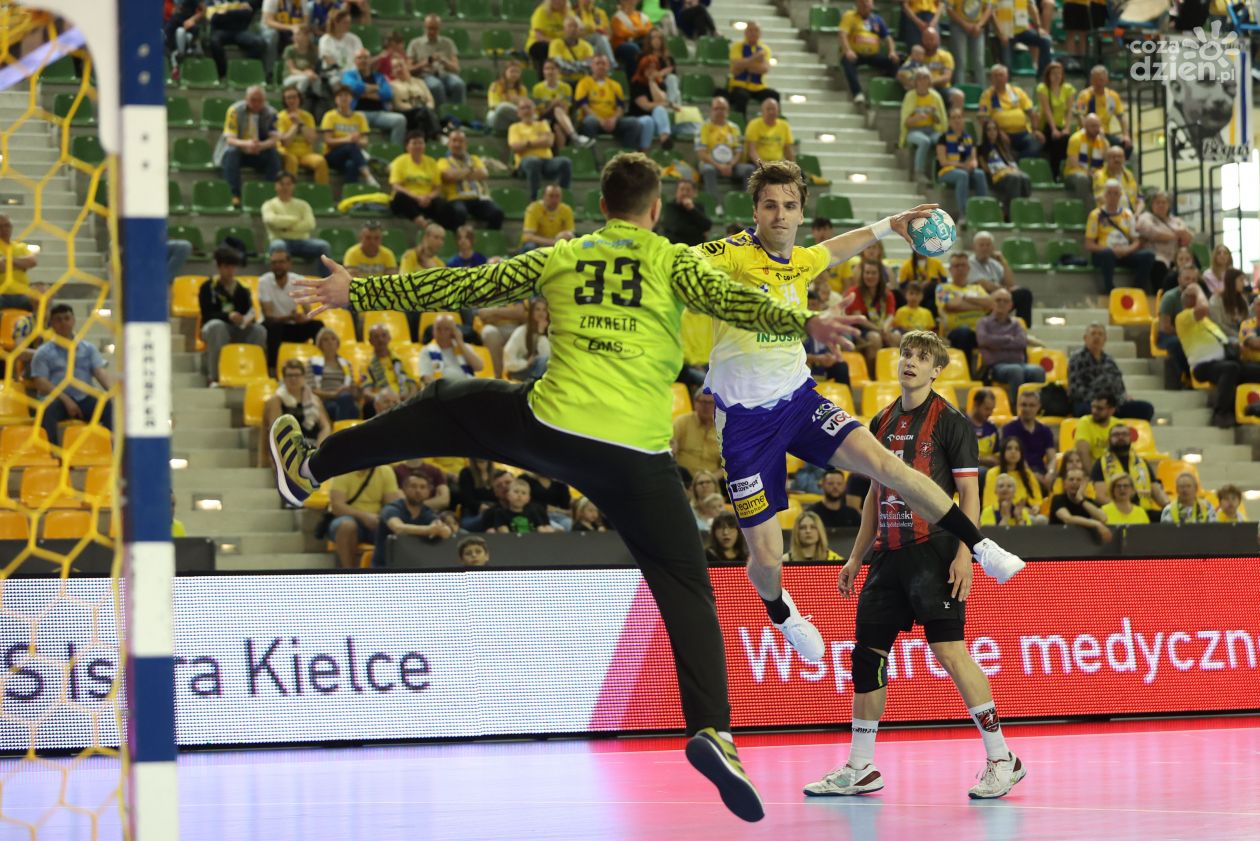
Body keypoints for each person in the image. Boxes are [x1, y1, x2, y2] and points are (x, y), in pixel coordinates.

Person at [270, 152, 888, 823]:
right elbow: (737, 301)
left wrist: (358, 293)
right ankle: (713, 728)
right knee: (687, 587)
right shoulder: (672, 260)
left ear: (601, 207)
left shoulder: (562, 255)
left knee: (446, 402)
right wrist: (805, 324)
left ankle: (312, 468)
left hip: (552, 428)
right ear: (656, 210)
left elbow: (465, 285)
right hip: (637, 456)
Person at [696, 162, 1025, 668]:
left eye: (789, 206)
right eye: (769, 205)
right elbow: (683, 264)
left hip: (799, 403)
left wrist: (890, 225)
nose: (779, 215)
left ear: (801, 214)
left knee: (890, 465)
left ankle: (979, 545)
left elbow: (833, 250)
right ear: (755, 211)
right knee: (766, 558)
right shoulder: (734, 254)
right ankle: (780, 612)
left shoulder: (801, 259)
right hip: (744, 426)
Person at [805, 328, 1024, 801]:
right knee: (867, 657)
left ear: (936, 370)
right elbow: (873, 494)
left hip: (935, 551)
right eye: (906, 353)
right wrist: (857, 555)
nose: (910, 361)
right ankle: (860, 767)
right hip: (887, 557)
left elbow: (969, 495)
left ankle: (1002, 758)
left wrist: (965, 553)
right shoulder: (881, 420)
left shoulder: (952, 422)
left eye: (922, 357)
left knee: (950, 653)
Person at [29, 304, 114, 447]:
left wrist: (113, 393)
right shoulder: (43, 352)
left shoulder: (88, 349)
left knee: (110, 406)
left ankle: (109, 448)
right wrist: (66, 399)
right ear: (51, 324)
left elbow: (99, 372)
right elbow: (40, 383)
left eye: (66, 318)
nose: (63, 323)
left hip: (84, 398)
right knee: (46, 410)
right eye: (58, 320)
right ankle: (53, 453)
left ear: (73, 320)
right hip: (57, 399)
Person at [1177, 283, 1260, 427]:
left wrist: (1235, 346)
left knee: (1253, 369)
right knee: (1230, 368)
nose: (1201, 300)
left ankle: (1255, 407)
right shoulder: (1182, 317)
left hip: (1223, 362)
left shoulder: (1208, 322)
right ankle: (1220, 413)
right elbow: (1203, 308)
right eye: (1198, 298)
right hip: (1202, 366)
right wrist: (1197, 289)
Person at [198, 246, 267, 387]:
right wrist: (228, 316)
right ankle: (214, 377)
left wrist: (248, 320)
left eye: (233, 267)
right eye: (226, 267)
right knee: (217, 327)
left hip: (238, 328)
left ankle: (252, 372)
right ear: (219, 267)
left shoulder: (243, 289)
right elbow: (207, 314)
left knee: (259, 331)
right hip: (214, 328)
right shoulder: (207, 287)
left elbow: (250, 312)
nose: (230, 271)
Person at [1067, 323, 1154, 419]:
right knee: (1087, 411)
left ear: (1105, 339)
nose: (1097, 337)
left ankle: (1111, 415)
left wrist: (1122, 397)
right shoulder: (1076, 359)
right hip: (1088, 403)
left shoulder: (1110, 360)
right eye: (1093, 334)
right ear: (1085, 338)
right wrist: (1100, 402)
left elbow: (1120, 386)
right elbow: (1076, 390)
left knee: (1146, 408)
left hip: (1112, 404)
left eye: (1100, 334)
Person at [1085, 179, 1156, 293]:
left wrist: (1128, 250)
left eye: (1116, 193)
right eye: (1109, 193)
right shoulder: (1095, 215)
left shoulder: (1127, 214)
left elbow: (1136, 241)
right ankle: (1109, 289)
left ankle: (1136, 289)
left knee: (1148, 255)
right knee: (1107, 255)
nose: (1112, 197)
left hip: (1124, 252)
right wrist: (1111, 250)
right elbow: (1089, 244)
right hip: (1105, 254)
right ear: (1104, 195)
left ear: (1120, 195)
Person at [258, 248, 324, 368]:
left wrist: (303, 318)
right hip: (271, 328)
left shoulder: (298, 280)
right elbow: (269, 315)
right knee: (274, 327)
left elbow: (308, 312)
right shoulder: (264, 281)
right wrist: (290, 317)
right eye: (274, 263)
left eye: (281, 262)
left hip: (291, 326)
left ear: (289, 264)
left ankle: (320, 364)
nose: (277, 266)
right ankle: (272, 368)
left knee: (317, 325)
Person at [328, 463, 403, 568]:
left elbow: (391, 505)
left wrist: (381, 519)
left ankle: (386, 571)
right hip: (348, 518)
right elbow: (337, 506)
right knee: (347, 526)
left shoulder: (386, 471)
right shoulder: (342, 469)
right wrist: (364, 517)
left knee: (393, 527)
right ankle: (350, 573)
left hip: (376, 519)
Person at [576, 54, 657, 152]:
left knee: (634, 123)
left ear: (608, 66)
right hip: (595, 120)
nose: (601, 66)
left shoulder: (615, 85)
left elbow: (620, 108)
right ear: (592, 66)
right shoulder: (584, 83)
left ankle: (626, 156)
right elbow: (584, 107)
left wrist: (614, 119)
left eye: (604, 63)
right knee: (589, 121)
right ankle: (591, 155)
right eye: (598, 63)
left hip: (612, 121)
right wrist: (600, 120)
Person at [976, 288, 1044, 400]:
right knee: (1015, 371)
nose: (1002, 303)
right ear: (992, 303)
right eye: (998, 300)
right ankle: (1017, 406)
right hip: (994, 367)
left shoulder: (1017, 324)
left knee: (1038, 371)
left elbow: (1021, 342)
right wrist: (1009, 339)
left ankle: (1037, 405)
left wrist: (996, 341)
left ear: (1011, 305)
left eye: (1005, 301)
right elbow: (984, 340)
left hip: (1019, 364)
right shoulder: (983, 323)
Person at [219, 86, 282, 207]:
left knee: (274, 155)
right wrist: (247, 144)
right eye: (253, 100)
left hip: (260, 150)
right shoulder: (234, 110)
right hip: (240, 149)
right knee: (231, 153)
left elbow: (274, 139)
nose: (256, 104)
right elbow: (230, 139)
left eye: (260, 100)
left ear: (265, 100)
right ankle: (234, 195)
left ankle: (270, 194)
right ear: (246, 99)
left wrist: (261, 146)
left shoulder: (272, 113)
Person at [374, 472, 453, 566]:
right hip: (385, 567)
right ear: (404, 489)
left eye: (422, 487)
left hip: (415, 566)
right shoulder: (392, 508)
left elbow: (440, 528)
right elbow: (398, 528)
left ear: (428, 492)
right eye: (413, 486)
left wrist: (444, 530)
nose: (418, 490)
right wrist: (429, 530)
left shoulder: (428, 512)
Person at [1088, 423, 1168, 515]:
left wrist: (1169, 507)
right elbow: (1100, 496)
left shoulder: (1142, 463)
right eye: (1116, 435)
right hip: (1114, 514)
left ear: (1130, 438)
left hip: (1144, 513)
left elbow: (1156, 491)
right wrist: (1125, 509)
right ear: (1109, 439)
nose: (1120, 437)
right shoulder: (1100, 464)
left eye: (1124, 434)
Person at [262, 173, 332, 274]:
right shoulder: (269, 205)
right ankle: (280, 280)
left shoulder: (303, 205)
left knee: (324, 246)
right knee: (278, 246)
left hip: (302, 242)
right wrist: (296, 219)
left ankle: (326, 280)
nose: (285, 187)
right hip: (279, 240)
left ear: (293, 186)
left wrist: (285, 227)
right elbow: (271, 220)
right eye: (282, 184)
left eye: (288, 184)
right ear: (276, 186)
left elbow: (310, 224)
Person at [438, 130, 505, 231]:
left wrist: (459, 174)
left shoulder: (474, 159)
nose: (457, 144)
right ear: (449, 143)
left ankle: (487, 238)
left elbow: (483, 174)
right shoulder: (443, 161)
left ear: (466, 144)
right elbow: (449, 176)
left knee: (497, 213)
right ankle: (459, 238)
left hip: (477, 197)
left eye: (461, 141)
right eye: (454, 141)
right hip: (456, 198)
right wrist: (470, 170)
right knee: (459, 213)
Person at [509, 99, 574, 201]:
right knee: (533, 161)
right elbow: (515, 147)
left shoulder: (543, 124)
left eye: (529, 107)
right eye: (523, 108)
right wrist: (539, 141)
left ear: (534, 110)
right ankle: (535, 199)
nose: (526, 110)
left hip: (547, 161)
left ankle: (563, 197)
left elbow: (549, 142)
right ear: (518, 113)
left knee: (565, 162)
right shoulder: (514, 128)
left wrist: (527, 143)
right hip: (525, 161)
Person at [263, 358, 331, 457]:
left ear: (303, 377)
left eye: (297, 375)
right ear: (284, 378)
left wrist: (319, 449)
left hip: (313, 447)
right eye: (290, 375)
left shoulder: (314, 399)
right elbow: (275, 431)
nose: (293, 379)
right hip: (288, 451)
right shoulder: (276, 400)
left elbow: (326, 427)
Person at [697, 96, 754, 210]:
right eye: (716, 108)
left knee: (749, 169)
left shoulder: (734, 128)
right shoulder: (703, 127)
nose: (720, 111)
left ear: (728, 111)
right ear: (711, 110)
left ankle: (746, 204)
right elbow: (701, 153)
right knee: (708, 170)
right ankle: (715, 205)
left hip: (731, 165)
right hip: (710, 163)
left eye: (723, 109)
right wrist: (719, 166)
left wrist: (730, 165)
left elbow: (738, 152)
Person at [935, 251, 992, 363]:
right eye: (956, 266)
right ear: (950, 269)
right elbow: (952, 305)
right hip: (956, 332)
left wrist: (963, 298)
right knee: (964, 332)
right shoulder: (942, 288)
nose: (960, 268)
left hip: (980, 331)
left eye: (963, 265)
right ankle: (967, 370)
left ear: (968, 268)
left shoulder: (977, 288)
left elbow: (990, 303)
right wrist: (979, 306)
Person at [840, 0, 900, 106]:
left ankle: (884, 91)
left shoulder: (877, 19)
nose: (865, 6)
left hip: (873, 55)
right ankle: (857, 93)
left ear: (872, 5)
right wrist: (848, 50)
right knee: (847, 61)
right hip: (856, 54)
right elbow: (842, 34)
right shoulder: (849, 16)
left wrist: (892, 52)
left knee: (894, 62)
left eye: (867, 4)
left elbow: (888, 38)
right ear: (858, 4)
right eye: (862, 4)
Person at [968, 231, 1033, 327]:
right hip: (982, 300)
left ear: (993, 248)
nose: (985, 248)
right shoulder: (969, 263)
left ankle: (1022, 328)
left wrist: (1003, 261)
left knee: (1024, 294)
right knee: (1013, 295)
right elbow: (985, 285)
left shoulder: (994, 264)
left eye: (988, 245)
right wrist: (1005, 290)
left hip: (999, 298)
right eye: (981, 245)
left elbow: (1011, 284)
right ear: (974, 247)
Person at [977, 65, 1040, 160]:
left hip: (1023, 132)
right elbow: (983, 118)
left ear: (1007, 77)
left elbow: (1031, 111)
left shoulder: (1017, 91)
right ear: (991, 79)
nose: (999, 78)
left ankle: (1018, 161)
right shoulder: (987, 95)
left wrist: (1035, 130)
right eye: (996, 76)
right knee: (1001, 145)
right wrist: (998, 132)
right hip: (1001, 133)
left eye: (1001, 75)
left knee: (1035, 144)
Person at [934, 108, 987, 221]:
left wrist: (973, 164)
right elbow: (943, 162)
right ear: (949, 121)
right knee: (962, 175)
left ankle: (982, 212)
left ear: (963, 120)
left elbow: (974, 158)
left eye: (959, 117)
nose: (957, 120)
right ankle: (964, 215)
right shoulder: (943, 138)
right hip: (946, 171)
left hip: (964, 169)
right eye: (953, 118)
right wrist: (962, 166)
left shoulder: (969, 138)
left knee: (980, 174)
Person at [320, 85, 377, 186]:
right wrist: (347, 139)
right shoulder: (329, 116)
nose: (343, 98)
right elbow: (328, 141)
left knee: (352, 164)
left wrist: (356, 141)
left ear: (352, 98)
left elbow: (365, 141)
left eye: (346, 95)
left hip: (353, 154)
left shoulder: (360, 117)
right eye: (340, 95)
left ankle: (350, 193)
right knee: (350, 146)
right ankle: (368, 174)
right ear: (335, 99)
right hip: (332, 154)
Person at [1000, 388, 1055, 490]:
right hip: (1017, 471)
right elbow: (1011, 457)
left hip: (1040, 470)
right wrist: (1033, 476)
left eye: (1031, 405)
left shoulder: (1045, 430)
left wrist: (1050, 473)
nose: (1027, 409)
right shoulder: (1009, 429)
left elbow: (1052, 458)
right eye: (1024, 405)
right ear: (1018, 406)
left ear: (1038, 406)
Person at [976, 119, 1032, 217]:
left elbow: (1010, 162)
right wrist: (1003, 171)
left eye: (994, 129)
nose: (992, 132)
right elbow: (985, 168)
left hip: (1008, 174)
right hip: (995, 177)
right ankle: (1012, 213)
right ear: (985, 132)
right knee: (1015, 178)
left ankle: (1024, 210)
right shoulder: (981, 148)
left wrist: (1010, 170)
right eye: (989, 129)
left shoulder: (1003, 146)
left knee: (1025, 177)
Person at [406, 15, 465, 107]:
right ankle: (442, 113)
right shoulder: (415, 44)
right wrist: (424, 63)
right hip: (425, 75)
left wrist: (444, 61)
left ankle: (457, 112)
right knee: (436, 86)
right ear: (424, 27)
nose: (432, 32)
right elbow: (408, 69)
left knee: (458, 84)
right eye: (429, 28)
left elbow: (456, 69)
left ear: (439, 28)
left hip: (444, 74)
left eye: (435, 29)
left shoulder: (448, 43)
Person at [1136, 191, 1194, 282]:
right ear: (1152, 205)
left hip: (1175, 256)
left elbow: (1188, 236)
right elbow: (1152, 232)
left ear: (1168, 205)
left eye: (1164, 202)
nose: (1161, 205)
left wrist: (1182, 234)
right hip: (1157, 256)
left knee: (1189, 260)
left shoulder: (1176, 220)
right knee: (1159, 265)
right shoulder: (1146, 217)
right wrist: (1175, 236)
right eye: (1157, 203)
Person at [276, 85, 329, 186]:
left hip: (306, 154)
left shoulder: (307, 117)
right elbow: (286, 142)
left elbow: (312, 140)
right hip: (288, 152)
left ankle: (322, 191)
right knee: (292, 161)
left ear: (299, 98)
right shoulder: (280, 117)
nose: (292, 100)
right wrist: (295, 125)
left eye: (294, 97)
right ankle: (290, 190)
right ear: (284, 100)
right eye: (288, 98)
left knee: (320, 161)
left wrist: (301, 123)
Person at [900, 69, 947, 182]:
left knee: (943, 140)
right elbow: (906, 122)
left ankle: (944, 171)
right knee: (925, 141)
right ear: (915, 81)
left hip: (931, 130)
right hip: (914, 131)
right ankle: (918, 172)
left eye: (925, 78)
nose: (922, 81)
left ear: (929, 81)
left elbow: (940, 121)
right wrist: (917, 118)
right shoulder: (910, 96)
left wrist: (934, 115)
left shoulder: (935, 97)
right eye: (919, 78)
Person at [725, 20, 778, 117]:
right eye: (750, 30)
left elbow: (764, 69)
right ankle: (741, 121)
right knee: (741, 96)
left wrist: (744, 65)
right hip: (739, 85)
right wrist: (755, 58)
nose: (753, 33)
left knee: (773, 95)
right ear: (745, 32)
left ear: (760, 33)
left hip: (758, 87)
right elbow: (735, 66)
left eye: (756, 30)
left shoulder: (765, 49)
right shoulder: (736, 47)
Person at [534, 57, 589, 151]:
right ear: (543, 71)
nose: (550, 72)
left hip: (561, 117)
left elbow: (566, 109)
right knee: (556, 108)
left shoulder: (566, 88)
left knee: (558, 127)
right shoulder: (537, 89)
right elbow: (540, 111)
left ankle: (561, 154)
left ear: (558, 71)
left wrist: (555, 104)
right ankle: (574, 136)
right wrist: (553, 104)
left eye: (552, 68)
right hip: (544, 118)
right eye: (547, 69)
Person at [1074, 65, 1131, 153]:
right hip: (1087, 133)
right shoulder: (1083, 95)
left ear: (1106, 80)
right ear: (1091, 81)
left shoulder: (1113, 96)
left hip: (1105, 133)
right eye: (1095, 80)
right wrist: (1089, 131)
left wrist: (1126, 135)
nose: (1098, 83)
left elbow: (1121, 116)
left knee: (1126, 147)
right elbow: (1079, 115)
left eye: (1101, 80)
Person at [1035, 61, 1076, 181]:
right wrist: (1053, 129)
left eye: (1059, 73)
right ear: (1048, 75)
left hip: (1061, 125)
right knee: (1056, 141)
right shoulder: (1043, 88)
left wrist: (1067, 128)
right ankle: (1055, 173)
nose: (1057, 76)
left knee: (1066, 140)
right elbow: (1047, 110)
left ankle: (1066, 171)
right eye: (1053, 73)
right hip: (1046, 125)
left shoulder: (1068, 89)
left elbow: (1069, 110)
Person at [1049, 466, 1111, 543]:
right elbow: (1068, 519)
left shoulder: (1088, 502)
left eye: (1078, 480)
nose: (1074, 482)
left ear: (1084, 484)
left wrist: (1081, 500)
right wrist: (1096, 524)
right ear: (1064, 484)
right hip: (1058, 541)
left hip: (1082, 543)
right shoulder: (1058, 499)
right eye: (1071, 479)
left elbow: (1103, 518)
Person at [309, 327, 359, 421]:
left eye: (333, 339)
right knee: (347, 405)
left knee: (348, 401)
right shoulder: (312, 363)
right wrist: (334, 394)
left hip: (345, 398)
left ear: (337, 343)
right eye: (325, 340)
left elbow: (354, 391)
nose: (330, 342)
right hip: (323, 401)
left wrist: (353, 389)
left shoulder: (346, 364)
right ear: (320, 344)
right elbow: (311, 389)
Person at [361, 323, 418, 406]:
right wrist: (384, 399)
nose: (380, 339)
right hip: (383, 403)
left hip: (405, 401)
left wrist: (409, 401)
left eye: (383, 335)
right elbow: (366, 392)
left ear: (389, 338)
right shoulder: (366, 364)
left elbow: (413, 385)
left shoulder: (401, 359)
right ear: (370, 341)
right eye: (376, 337)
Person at [419, 314, 484, 385]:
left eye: (446, 329)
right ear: (433, 332)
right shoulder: (427, 350)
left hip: (467, 387)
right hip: (442, 389)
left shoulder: (464, 347)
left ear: (454, 332)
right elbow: (427, 378)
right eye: (438, 329)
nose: (442, 333)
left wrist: (460, 343)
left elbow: (479, 367)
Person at [992, 0, 1051, 78]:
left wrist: (1038, 27)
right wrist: (1001, 34)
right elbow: (992, 12)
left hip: (1022, 30)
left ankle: (1042, 76)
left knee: (1045, 40)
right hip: (1005, 32)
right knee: (1006, 65)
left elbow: (1031, 7)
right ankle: (1007, 83)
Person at [672, 390, 721, 477]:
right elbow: (670, 449)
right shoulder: (682, 422)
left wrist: (713, 478)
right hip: (682, 478)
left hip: (711, 480)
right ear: (695, 403)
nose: (706, 406)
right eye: (703, 402)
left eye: (710, 403)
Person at [389, 57, 442, 139]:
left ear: (407, 67)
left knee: (424, 116)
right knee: (424, 113)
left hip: (423, 111)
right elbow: (397, 104)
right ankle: (437, 135)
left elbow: (430, 99)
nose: (399, 69)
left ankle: (422, 139)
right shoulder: (392, 85)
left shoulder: (420, 82)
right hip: (407, 112)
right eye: (395, 67)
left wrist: (428, 108)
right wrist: (416, 108)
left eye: (401, 65)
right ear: (392, 72)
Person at [504, 297, 551, 381]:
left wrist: (541, 333)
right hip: (520, 371)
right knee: (543, 360)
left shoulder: (550, 331)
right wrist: (525, 363)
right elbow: (508, 358)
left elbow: (547, 355)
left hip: (540, 369)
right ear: (531, 312)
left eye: (544, 310)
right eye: (537, 309)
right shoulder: (521, 331)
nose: (541, 313)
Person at [946, 0, 991, 86]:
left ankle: (982, 91)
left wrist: (980, 25)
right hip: (958, 26)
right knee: (960, 62)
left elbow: (988, 8)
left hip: (977, 27)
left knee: (979, 62)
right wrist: (964, 24)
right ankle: (959, 91)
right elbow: (949, 9)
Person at [0, 213, 40, 310]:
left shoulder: (20, 247)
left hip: (23, 294)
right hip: (1, 294)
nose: (4, 229)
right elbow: (2, 267)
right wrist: (21, 265)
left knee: (42, 297)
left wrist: (6, 259)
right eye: (0, 226)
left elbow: (32, 261)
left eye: (7, 225)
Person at [520, 184, 576, 252]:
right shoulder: (533, 209)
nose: (554, 199)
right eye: (551, 196)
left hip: (558, 244)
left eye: (557, 196)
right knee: (529, 246)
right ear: (544, 196)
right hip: (538, 244)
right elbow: (528, 236)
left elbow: (570, 233)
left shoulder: (566, 210)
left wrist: (566, 235)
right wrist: (552, 242)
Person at [744, 95, 795, 166]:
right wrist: (763, 165)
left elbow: (788, 150)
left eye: (773, 109)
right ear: (762, 111)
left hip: (778, 164)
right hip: (758, 164)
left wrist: (792, 166)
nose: (771, 112)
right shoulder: (753, 124)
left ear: (778, 111)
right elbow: (752, 151)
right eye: (768, 109)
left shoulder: (784, 125)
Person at [659, 179, 712, 247]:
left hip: (696, 248)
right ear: (676, 192)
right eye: (682, 189)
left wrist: (692, 209)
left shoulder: (698, 207)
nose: (684, 193)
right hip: (676, 247)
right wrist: (700, 232)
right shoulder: (671, 207)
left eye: (688, 190)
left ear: (695, 193)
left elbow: (707, 225)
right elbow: (677, 229)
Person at [281, 25, 325, 105]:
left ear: (307, 36)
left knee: (316, 79)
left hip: (306, 75)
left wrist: (311, 74)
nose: (294, 37)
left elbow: (311, 68)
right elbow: (292, 70)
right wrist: (305, 74)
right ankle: (298, 100)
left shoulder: (312, 51)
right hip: (290, 77)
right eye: (294, 34)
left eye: (298, 34)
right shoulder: (289, 50)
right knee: (304, 79)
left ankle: (318, 100)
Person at [528, 0, 571, 75]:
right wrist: (556, 43)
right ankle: (544, 77)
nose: (558, 1)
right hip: (539, 43)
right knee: (544, 48)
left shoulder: (569, 13)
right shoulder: (541, 11)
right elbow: (539, 36)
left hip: (561, 44)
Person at [550, 16, 595, 86]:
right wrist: (581, 65)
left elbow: (589, 66)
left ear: (580, 29)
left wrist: (567, 63)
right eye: (570, 26)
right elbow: (560, 67)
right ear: (564, 29)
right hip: (562, 83)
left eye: (576, 26)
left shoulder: (587, 46)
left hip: (582, 83)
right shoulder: (556, 44)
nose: (573, 29)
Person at [968, 388, 1000, 468]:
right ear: (976, 405)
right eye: (987, 409)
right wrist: (982, 460)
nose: (990, 413)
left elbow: (997, 455)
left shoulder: (992, 429)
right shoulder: (960, 425)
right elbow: (958, 456)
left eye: (992, 409)